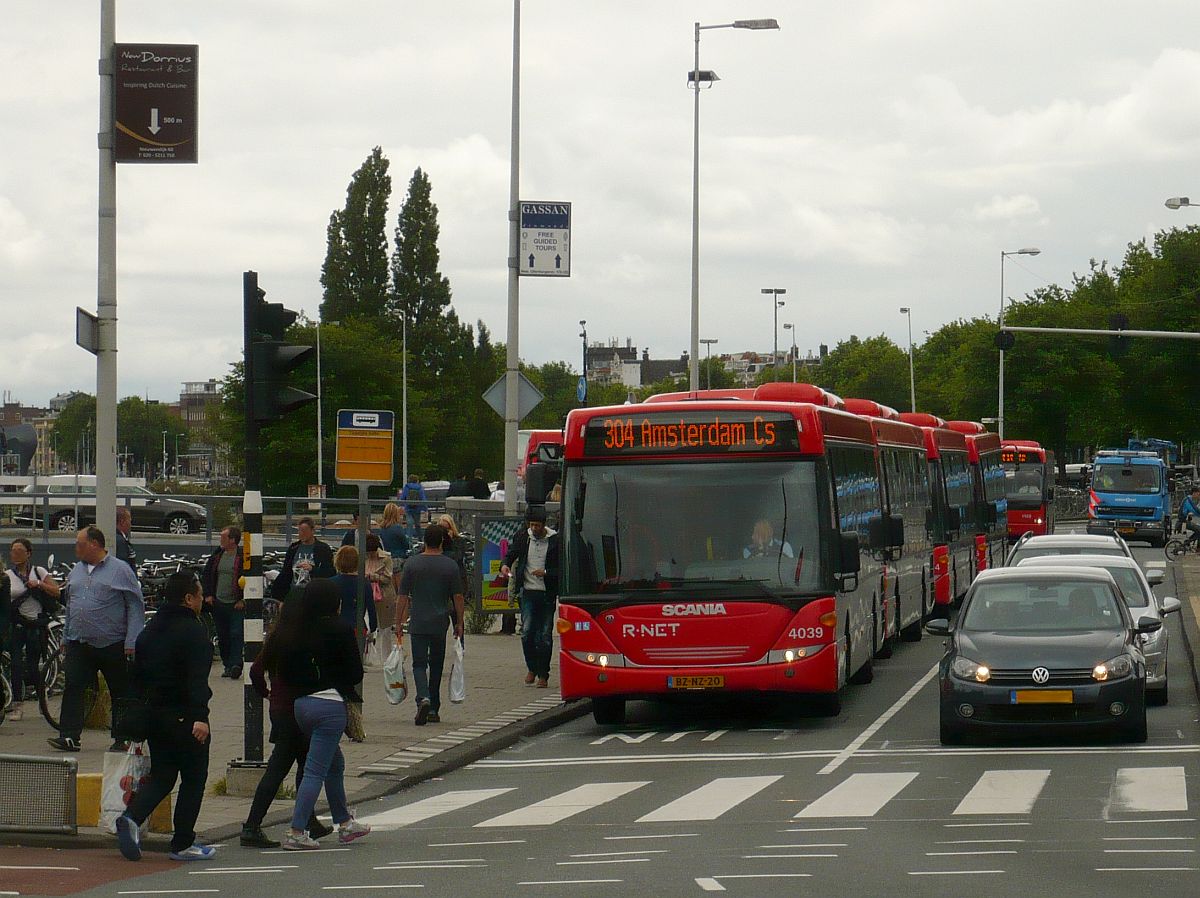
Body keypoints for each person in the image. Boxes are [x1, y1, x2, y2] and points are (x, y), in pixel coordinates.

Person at [114, 571, 214, 862]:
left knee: (163, 775)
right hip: (185, 717)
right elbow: (197, 680)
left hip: (154, 717)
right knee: (194, 778)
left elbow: (138, 677)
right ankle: (183, 843)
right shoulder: (194, 632)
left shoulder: (149, 630)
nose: (200, 600)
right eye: (197, 594)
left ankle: (131, 817)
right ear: (188, 599)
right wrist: (200, 717)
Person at [278, 580, 371, 850]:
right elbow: (355, 673)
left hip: (301, 706)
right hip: (329, 706)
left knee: (334, 763)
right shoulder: (340, 628)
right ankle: (297, 831)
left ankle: (344, 822)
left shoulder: (296, 629)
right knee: (315, 770)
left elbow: (284, 670)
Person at [240, 600, 334, 848]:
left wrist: (267, 693)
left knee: (304, 764)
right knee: (281, 768)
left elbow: (255, 671)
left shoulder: (276, 640)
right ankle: (252, 825)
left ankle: (308, 819)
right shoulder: (305, 641)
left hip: (280, 709)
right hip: (300, 710)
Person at [50, 526, 144, 753]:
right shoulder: (76, 571)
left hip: (112, 643)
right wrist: (66, 635)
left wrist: (132, 640)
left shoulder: (120, 570)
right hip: (79, 642)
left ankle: (123, 736)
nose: (76, 549)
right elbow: (71, 603)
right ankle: (69, 736)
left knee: (120, 690)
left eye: (80, 544)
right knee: (73, 686)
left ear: (94, 544)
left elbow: (134, 604)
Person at [397, 524, 465, 725]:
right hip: (439, 622)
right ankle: (434, 707)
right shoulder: (450, 566)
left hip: (418, 621)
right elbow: (458, 597)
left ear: (424, 541)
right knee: (436, 665)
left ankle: (423, 698)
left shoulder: (412, 564)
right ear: (442, 541)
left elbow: (402, 596)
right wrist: (459, 622)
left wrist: (398, 621)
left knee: (419, 664)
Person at [500, 507, 560, 689]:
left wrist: (547, 573)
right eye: (531, 525)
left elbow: (563, 567)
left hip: (546, 592)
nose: (534, 528)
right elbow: (511, 554)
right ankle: (532, 668)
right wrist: (505, 565)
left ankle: (544, 673)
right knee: (527, 633)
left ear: (544, 525)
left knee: (544, 635)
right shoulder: (522, 537)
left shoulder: (555, 541)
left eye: (537, 525)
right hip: (527, 591)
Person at [5, 538, 61, 721]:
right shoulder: (7, 575)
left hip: (35, 625)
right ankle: (17, 705)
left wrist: (38, 584)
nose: (16, 555)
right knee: (15, 665)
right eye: (13, 551)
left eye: (20, 551)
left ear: (29, 553)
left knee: (33, 665)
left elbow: (56, 590)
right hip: (17, 625)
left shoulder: (39, 572)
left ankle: (42, 699)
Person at [202, 526, 245, 679]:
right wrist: (208, 595)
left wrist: (243, 599)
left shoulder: (242, 557)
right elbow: (207, 574)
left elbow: (251, 578)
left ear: (232, 540)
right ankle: (228, 665)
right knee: (223, 635)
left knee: (236, 633)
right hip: (219, 602)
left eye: (223, 537)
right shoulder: (217, 556)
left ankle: (236, 664)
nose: (220, 540)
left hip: (235, 603)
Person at [273, 517, 335, 600]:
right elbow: (286, 572)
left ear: (312, 531)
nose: (301, 534)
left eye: (304, 531)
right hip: (295, 593)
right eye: (300, 531)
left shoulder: (323, 549)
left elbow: (330, 573)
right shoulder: (293, 548)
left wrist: (312, 569)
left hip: (314, 594)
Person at [330, 545, 377, 643]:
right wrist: (373, 628)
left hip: (335, 628)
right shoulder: (364, 583)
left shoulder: (331, 583)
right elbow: (371, 608)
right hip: (357, 628)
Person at [365, 534, 398, 658]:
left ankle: (386, 658)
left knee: (385, 629)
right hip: (368, 593)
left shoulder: (386, 558)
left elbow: (388, 578)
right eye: (368, 553)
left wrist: (372, 576)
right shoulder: (362, 557)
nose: (371, 555)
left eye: (372, 552)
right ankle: (369, 656)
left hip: (384, 594)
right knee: (368, 627)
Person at [399, 475, 428, 540]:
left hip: (408, 508)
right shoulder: (419, 487)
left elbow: (403, 497)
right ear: (417, 480)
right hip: (417, 509)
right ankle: (420, 538)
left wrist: (401, 506)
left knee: (409, 523)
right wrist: (425, 509)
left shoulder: (407, 487)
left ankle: (409, 539)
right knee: (417, 524)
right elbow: (423, 498)